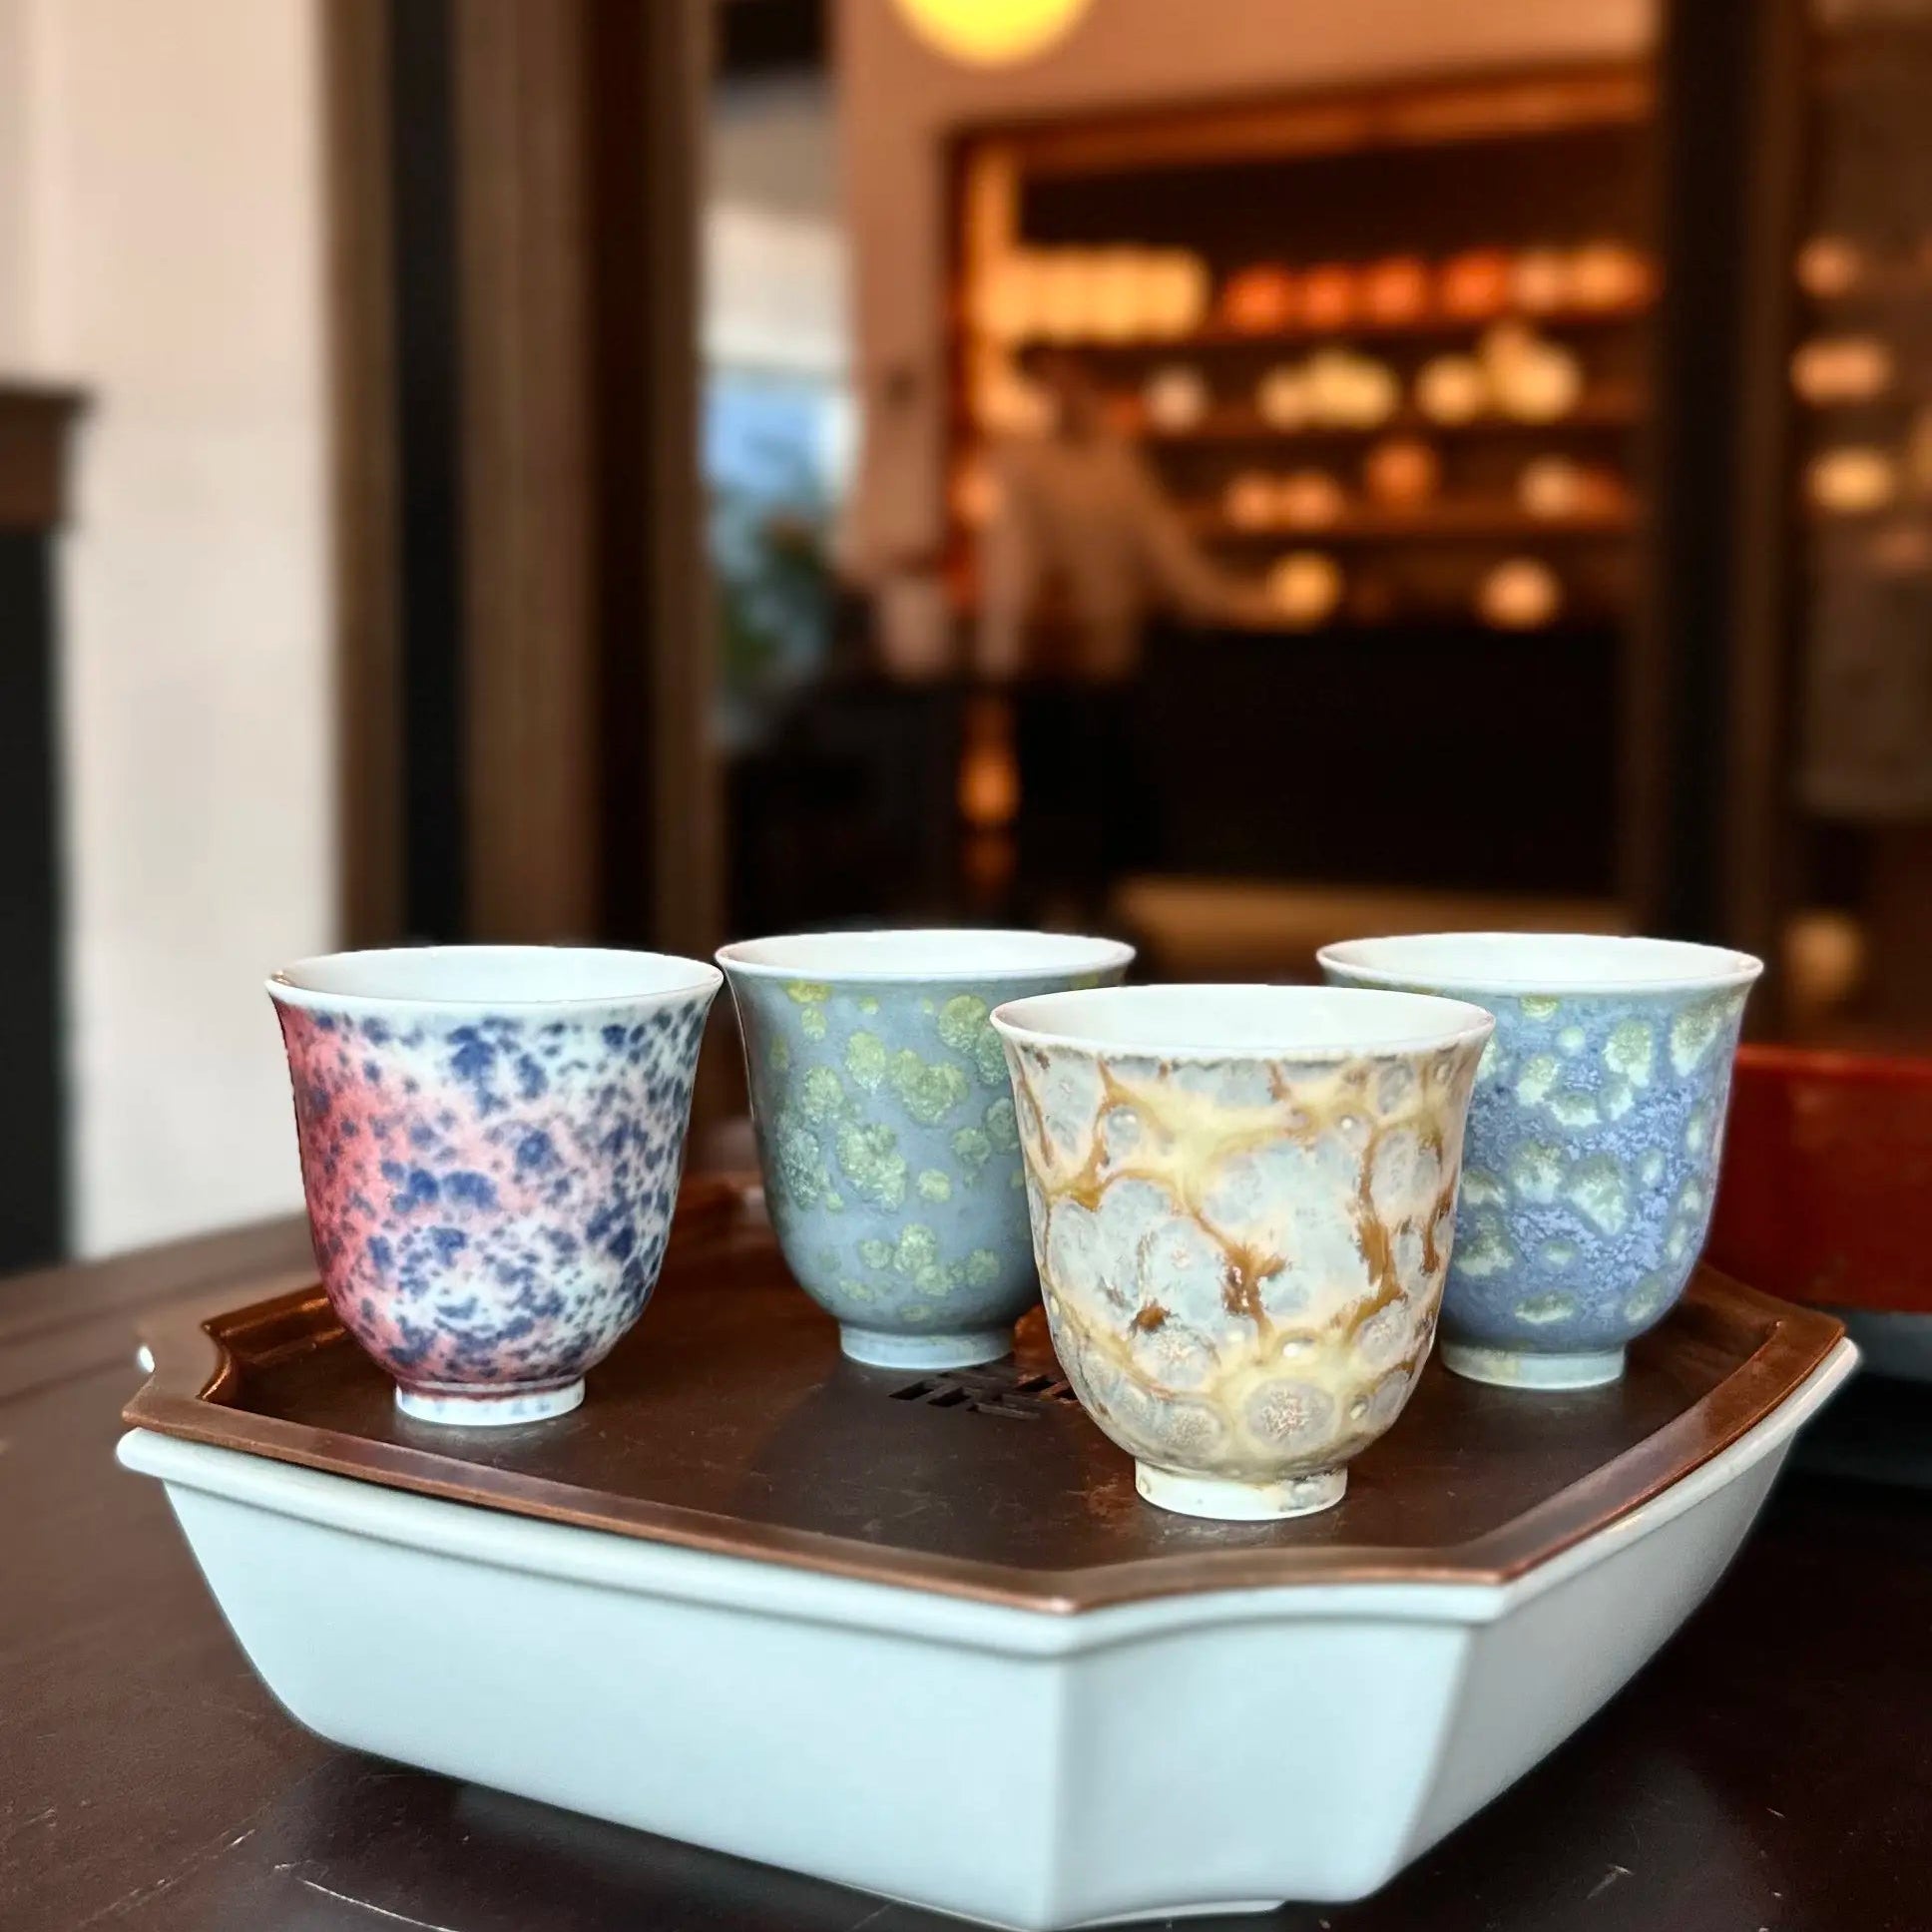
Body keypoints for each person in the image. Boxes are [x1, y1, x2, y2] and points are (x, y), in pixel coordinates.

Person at [975, 347, 1268, 681]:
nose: (1062, 394)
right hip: (1033, 655)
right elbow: (1013, 562)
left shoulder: (1115, 462)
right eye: (1047, 382)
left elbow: (1164, 547)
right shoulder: (1016, 462)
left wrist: (1227, 604)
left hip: (1108, 651)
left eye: (1070, 381)